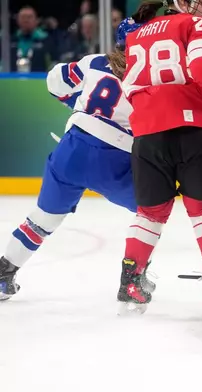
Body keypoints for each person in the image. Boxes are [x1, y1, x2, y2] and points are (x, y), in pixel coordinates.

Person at [118, 0, 202, 316]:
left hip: (148, 132)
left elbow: (132, 88)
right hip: (194, 131)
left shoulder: (137, 34)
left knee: (150, 213)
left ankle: (129, 281)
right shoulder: (196, 25)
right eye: (198, 1)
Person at [0, 19, 147, 301]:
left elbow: (55, 80)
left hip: (72, 149)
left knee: (41, 220)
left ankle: (4, 272)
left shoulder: (93, 62)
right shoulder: (150, 77)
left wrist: (76, 103)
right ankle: (133, 280)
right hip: (114, 160)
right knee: (152, 212)